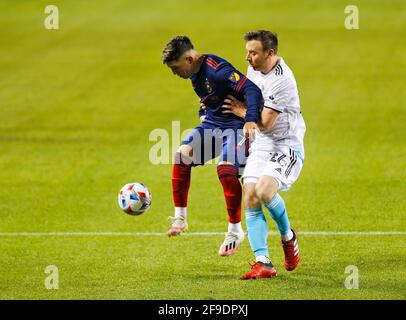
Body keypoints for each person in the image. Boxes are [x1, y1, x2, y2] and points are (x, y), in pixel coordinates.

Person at [161, 36, 262, 256]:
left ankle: (235, 231)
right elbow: (208, 101)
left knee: (225, 170)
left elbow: (252, 90)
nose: (174, 73)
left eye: (175, 68)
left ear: (188, 59)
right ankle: (180, 219)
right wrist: (203, 116)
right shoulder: (194, 74)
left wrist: (251, 119)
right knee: (181, 156)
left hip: (236, 128)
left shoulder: (218, 70)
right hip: (213, 126)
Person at [222, 30, 306, 279]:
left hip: (285, 144)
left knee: (265, 191)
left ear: (270, 53)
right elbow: (248, 97)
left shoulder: (282, 80)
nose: (247, 57)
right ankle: (263, 262)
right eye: (247, 51)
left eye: (253, 52)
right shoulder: (255, 68)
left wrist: (241, 112)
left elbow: (266, 123)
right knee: (250, 195)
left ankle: (288, 236)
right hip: (262, 143)